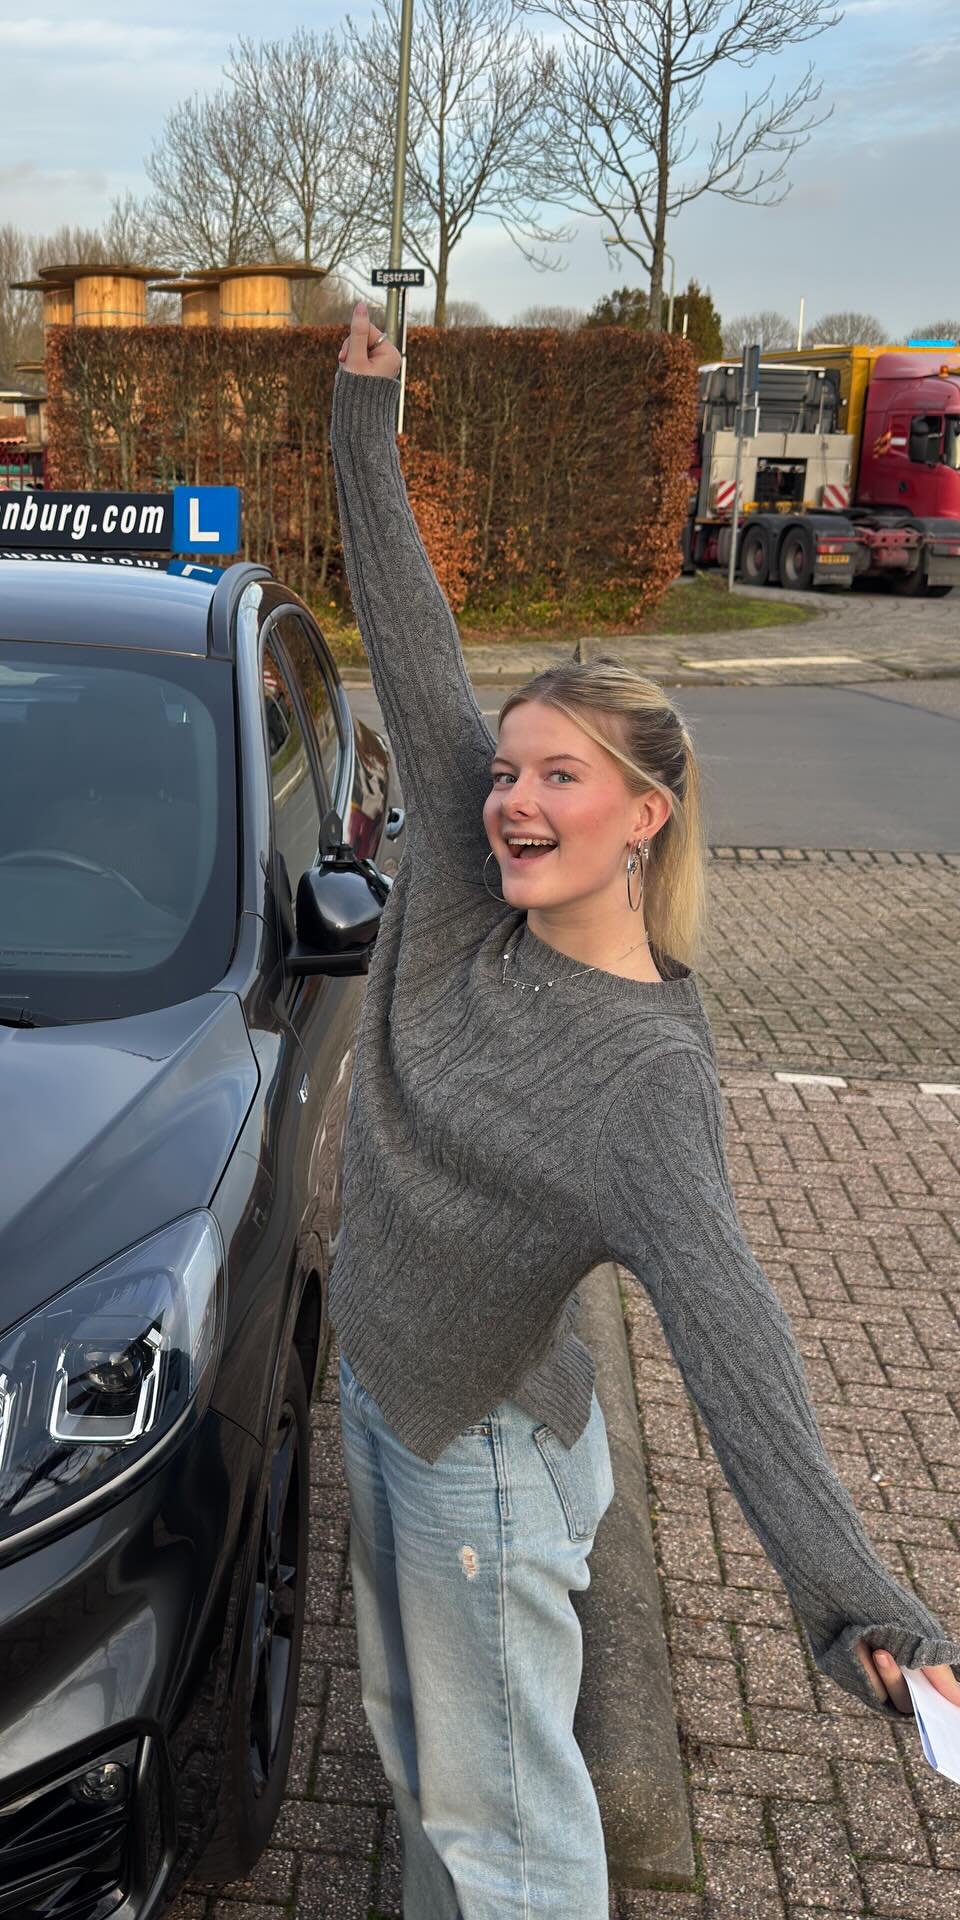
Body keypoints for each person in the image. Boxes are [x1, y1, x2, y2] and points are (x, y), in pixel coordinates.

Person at [327, 301, 960, 1920]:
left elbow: (736, 1337)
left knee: (507, 1835)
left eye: (561, 777)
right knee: (417, 1764)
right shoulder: (464, 897)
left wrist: (860, 1602)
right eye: (507, 770)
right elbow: (408, 632)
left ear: (644, 816)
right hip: (382, 1394)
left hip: (479, 1463)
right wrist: (365, 429)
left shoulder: (645, 1074)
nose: (512, 800)